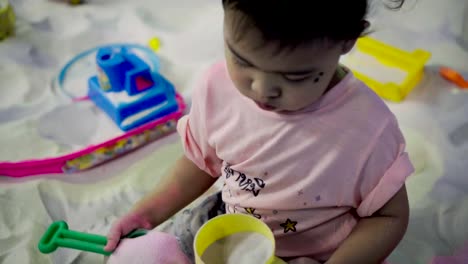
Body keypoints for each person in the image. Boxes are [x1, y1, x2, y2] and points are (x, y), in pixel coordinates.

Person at [105, 0, 414, 263]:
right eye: (241, 60)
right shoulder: (217, 87)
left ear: (347, 41)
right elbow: (201, 163)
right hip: (228, 223)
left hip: (317, 255)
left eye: (295, 76)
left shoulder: (368, 131)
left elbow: (388, 218)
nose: (262, 89)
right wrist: (144, 216)